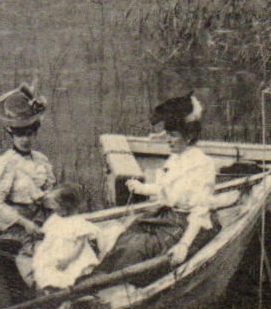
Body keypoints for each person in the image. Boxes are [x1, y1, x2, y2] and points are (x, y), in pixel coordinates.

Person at [92, 94, 230, 273]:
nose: (167, 140)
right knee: (129, 236)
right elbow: (166, 188)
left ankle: (116, 283)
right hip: (168, 216)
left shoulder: (202, 164)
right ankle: (100, 278)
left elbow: (200, 210)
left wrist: (184, 244)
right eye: (167, 135)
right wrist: (142, 188)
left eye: (172, 136)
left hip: (190, 223)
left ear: (188, 138)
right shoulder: (176, 158)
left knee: (140, 247)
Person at [0, 84, 57, 309]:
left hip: (37, 219)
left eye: (29, 133)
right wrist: (24, 222)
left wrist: (51, 205)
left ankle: (51, 299)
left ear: (35, 132)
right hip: (12, 221)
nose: (25, 139)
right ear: (11, 134)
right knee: (12, 252)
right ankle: (23, 305)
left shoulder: (41, 160)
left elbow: (49, 192)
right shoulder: (7, 163)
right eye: (20, 134)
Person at [31, 187, 111, 291]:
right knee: (47, 270)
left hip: (72, 254)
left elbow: (80, 245)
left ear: (65, 208)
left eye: (55, 205)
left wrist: (68, 260)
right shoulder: (54, 219)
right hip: (55, 252)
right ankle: (51, 288)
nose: (52, 208)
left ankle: (70, 289)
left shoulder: (77, 222)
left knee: (72, 273)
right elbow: (46, 234)